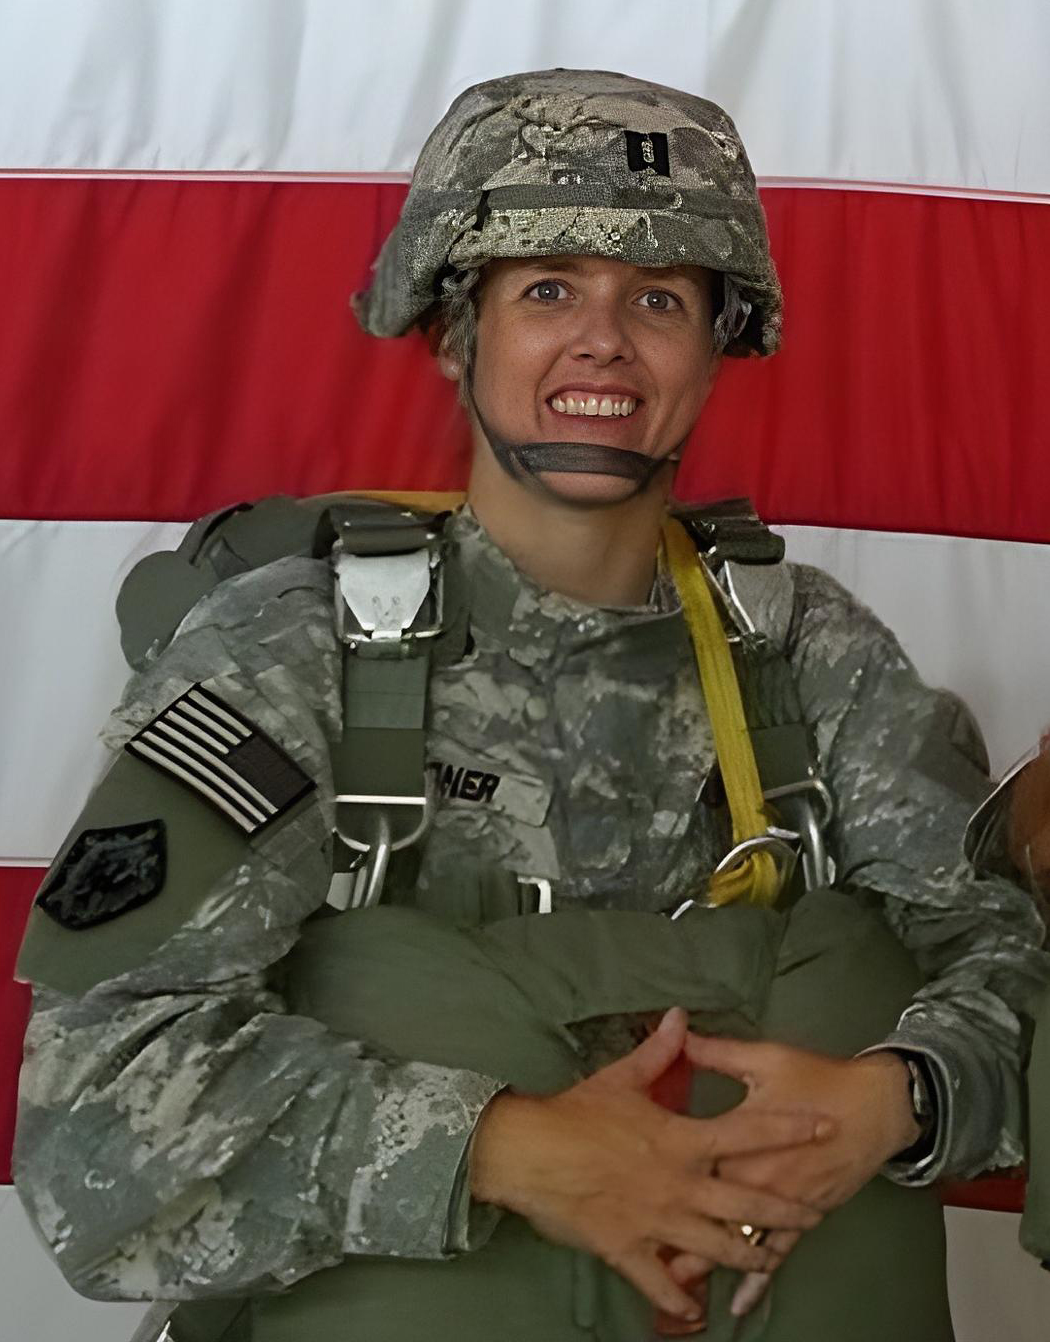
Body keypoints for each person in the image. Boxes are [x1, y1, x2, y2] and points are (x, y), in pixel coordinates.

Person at [13, 70, 1050, 1341]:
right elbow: (93, 1103)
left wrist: (902, 1094)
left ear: (714, 351)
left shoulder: (811, 657)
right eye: (548, 289)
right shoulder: (289, 652)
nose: (603, 339)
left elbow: (1009, 960)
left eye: (659, 299)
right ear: (458, 335)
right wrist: (510, 1151)